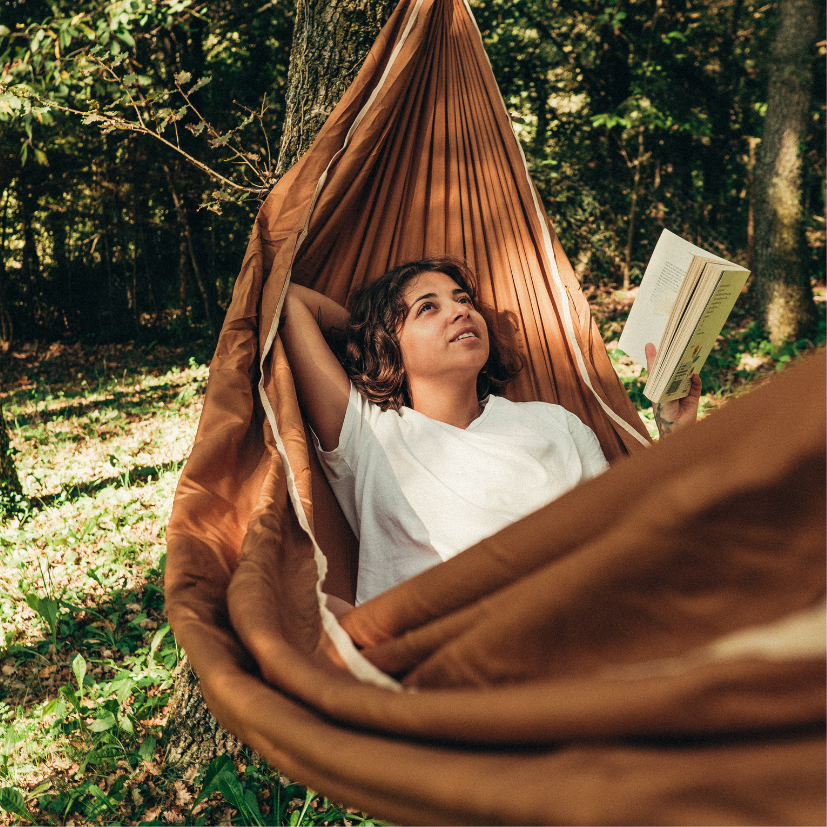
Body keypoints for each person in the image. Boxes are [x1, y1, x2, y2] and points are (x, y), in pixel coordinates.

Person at [279, 257, 700, 612]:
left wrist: (675, 437)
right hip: (445, 665)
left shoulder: (556, 422)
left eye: (463, 301)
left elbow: (624, 538)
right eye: (428, 308)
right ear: (388, 341)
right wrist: (373, 339)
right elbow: (293, 302)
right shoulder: (370, 437)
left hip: (573, 628)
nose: (460, 311)